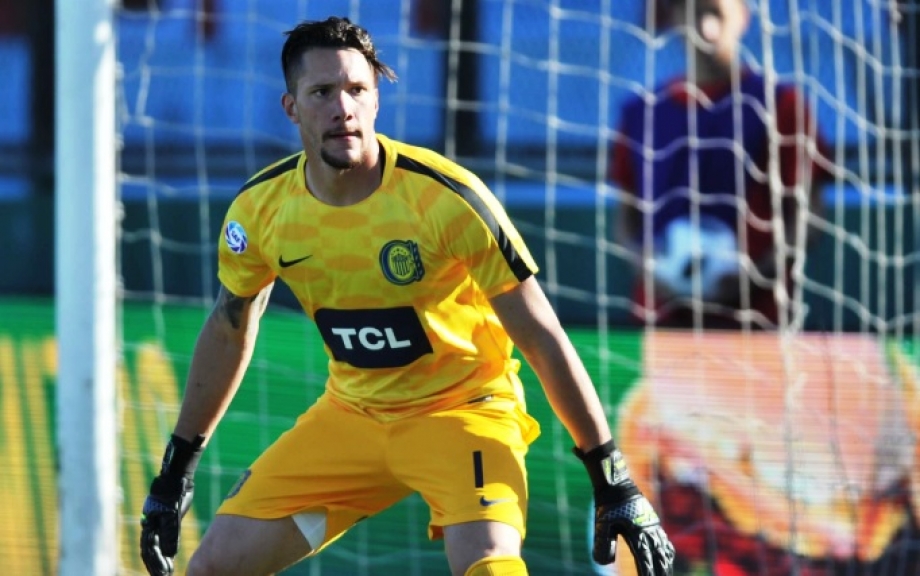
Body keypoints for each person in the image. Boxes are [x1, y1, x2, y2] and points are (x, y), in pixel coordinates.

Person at [139, 16, 674, 576]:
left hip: (464, 413)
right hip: (351, 417)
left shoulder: (447, 198)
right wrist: (176, 470)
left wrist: (611, 476)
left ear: (375, 101)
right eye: (322, 92)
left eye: (357, 90)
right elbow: (229, 330)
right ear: (291, 107)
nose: (342, 107)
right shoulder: (260, 212)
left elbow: (541, 337)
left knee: (491, 567)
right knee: (212, 569)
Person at [610, 0, 829, 330]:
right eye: (696, 13)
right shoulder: (641, 113)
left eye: (716, 14)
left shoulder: (782, 106)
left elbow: (808, 215)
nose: (706, 29)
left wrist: (755, 274)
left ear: (742, 17)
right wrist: (649, 267)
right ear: (675, 17)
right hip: (664, 317)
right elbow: (626, 218)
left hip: (756, 321)